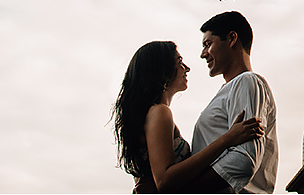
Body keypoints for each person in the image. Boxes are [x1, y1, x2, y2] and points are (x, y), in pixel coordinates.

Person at [113, 41, 264, 193]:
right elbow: (164, 181)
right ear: (162, 70)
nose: (187, 68)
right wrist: (227, 139)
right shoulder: (160, 112)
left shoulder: (151, 115)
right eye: (179, 62)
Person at [188, 11, 279, 193]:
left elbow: (243, 160)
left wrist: (185, 188)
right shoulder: (230, 89)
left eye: (208, 44)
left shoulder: (247, 81)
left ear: (231, 39)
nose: (202, 54)